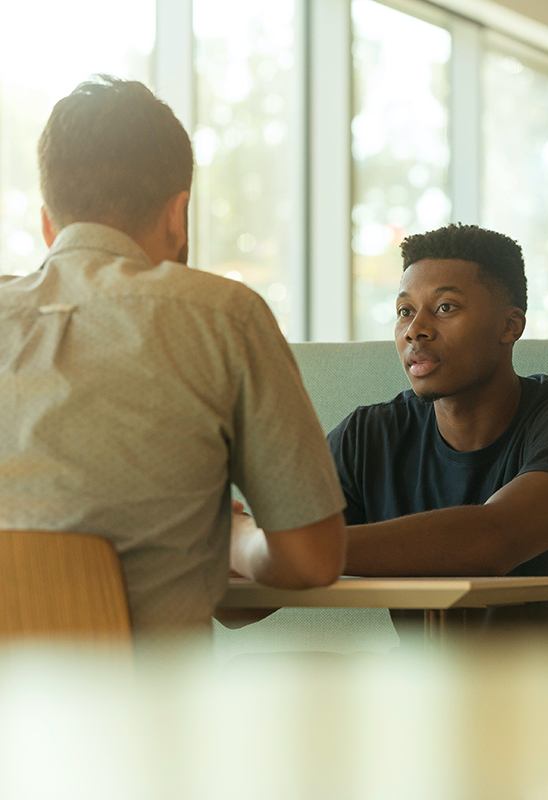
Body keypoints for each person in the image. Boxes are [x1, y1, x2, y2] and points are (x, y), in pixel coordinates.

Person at [0, 76, 346, 631]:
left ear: (48, 224)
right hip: (145, 709)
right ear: (177, 215)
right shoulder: (223, 316)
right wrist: (235, 540)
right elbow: (312, 559)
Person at [328, 223, 548, 627]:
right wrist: (238, 545)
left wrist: (285, 549)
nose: (414, 330)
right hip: (423, 686)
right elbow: (239, 607)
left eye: (445, 308)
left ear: (510, 326)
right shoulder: (367, 437)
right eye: (405, 311)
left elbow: (491, 541)